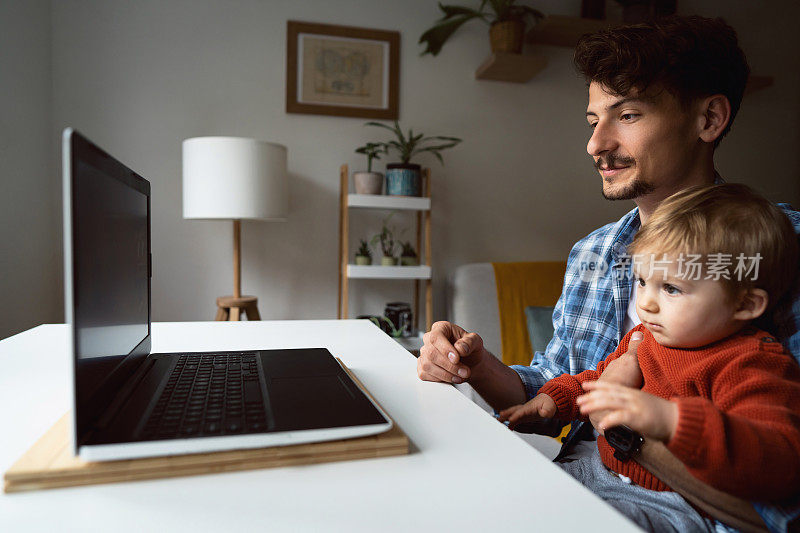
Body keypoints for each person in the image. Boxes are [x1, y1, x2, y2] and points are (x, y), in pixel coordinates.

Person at [416, 15, 800, 531]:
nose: (596, 145)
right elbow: (558, 382)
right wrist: (476, 366)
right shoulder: (594, 252)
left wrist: (630, 427)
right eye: (593, 121)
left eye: (629, 114)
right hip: (569, 473)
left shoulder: (783, 249)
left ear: (709, 119)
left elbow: (783, 499)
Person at [497, 184, 800, 531]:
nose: (646, 303)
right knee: (512, 495)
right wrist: (556, 399)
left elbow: (779, 456)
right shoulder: (649, 336)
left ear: (745, 305)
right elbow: (600, 379)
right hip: (596, 466)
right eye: (642, 281)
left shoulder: (752, 363)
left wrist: (671, 421)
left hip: (670, 503)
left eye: (671, 288)